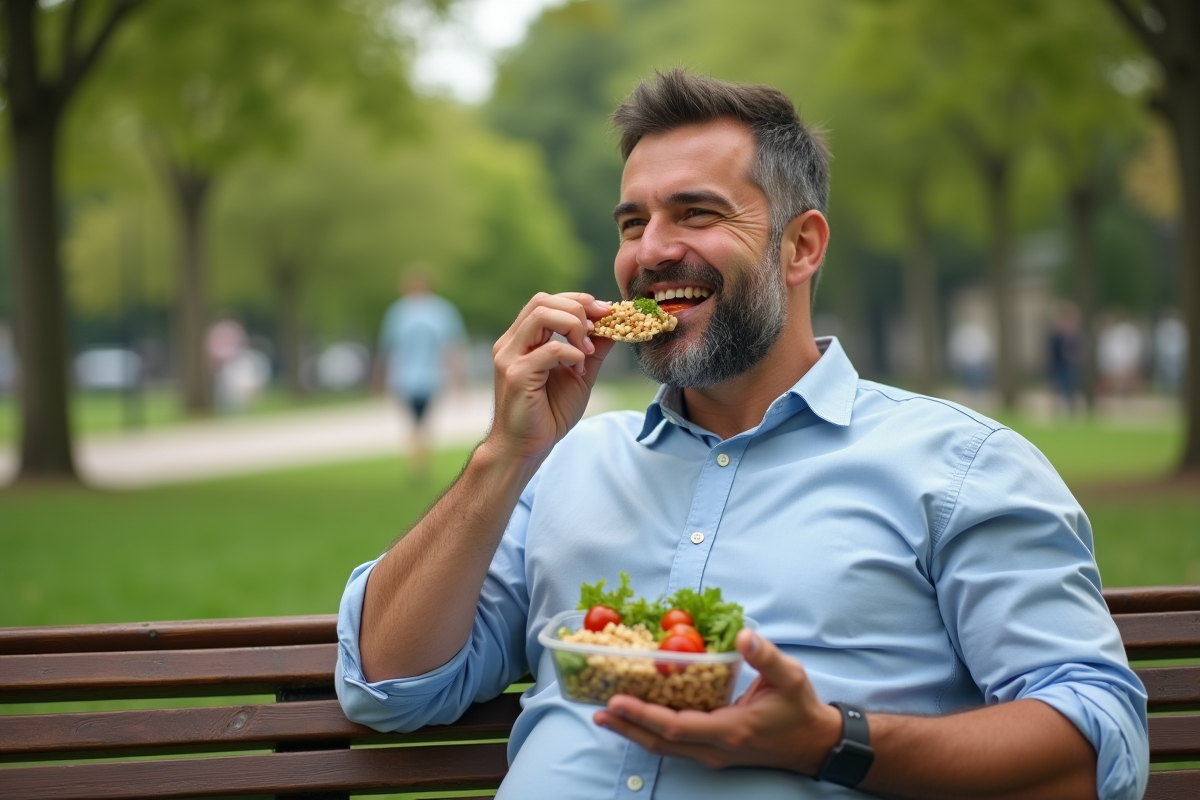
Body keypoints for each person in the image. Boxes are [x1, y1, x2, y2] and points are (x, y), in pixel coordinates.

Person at [336, 71, 1147, 799]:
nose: (652, 251)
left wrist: (833, 742)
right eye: (632, 223)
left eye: (697, 213)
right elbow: (390, 686)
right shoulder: (566, 463)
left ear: (801, 246)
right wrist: (502, 457)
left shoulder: (961, 468)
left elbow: (1097, 743)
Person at [374, 268, 466, 478]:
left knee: (418, 423)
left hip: (419, 377)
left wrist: (379, 379)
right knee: (419, 423)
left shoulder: (401, 312)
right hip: (415, 377)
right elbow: (388, 350)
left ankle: (418, 462)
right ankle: (420, 462)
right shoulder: (436, 311)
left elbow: (450, 349)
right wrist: (459, 379)